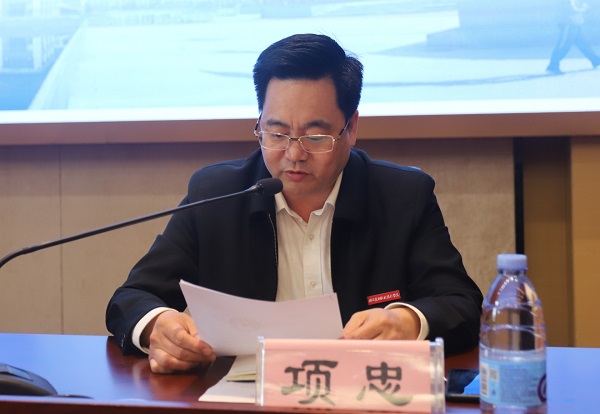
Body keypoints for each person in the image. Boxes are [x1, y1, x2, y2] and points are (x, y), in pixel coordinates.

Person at [106, 33, 483, 374]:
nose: (294, 154)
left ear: (351, 127)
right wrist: (158, 326)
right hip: (244, 396)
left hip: (364, 393)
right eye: (277, 133)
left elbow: (461, 303)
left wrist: (408, 321)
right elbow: (132, 298)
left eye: (315, 137)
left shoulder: (402, 196)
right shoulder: (217, 195)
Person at [546, 0, 600, 74]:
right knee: (564, 45)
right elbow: (571, 9)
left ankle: (595, 60)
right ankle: (553, 65)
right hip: (568, 24)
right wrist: (584, 8)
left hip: (574, 23)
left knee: (583, 44)